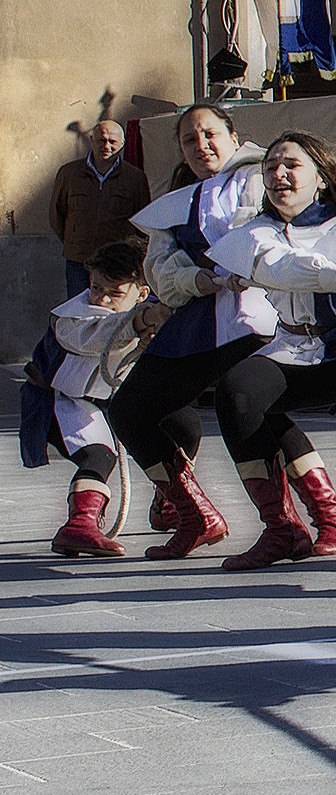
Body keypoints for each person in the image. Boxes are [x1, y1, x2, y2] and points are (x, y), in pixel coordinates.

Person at [206, 133, 336, 572]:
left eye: (291, 165)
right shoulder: (256, 233)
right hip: (296, 345)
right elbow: (280, 265)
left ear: (320, 177)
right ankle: (285, 530)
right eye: (271, 167)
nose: (279, 174)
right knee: (238, 394)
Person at [106, 104, 278, 560]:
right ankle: (195, 514)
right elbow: (159, 271)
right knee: (129, 410)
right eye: (189, 139)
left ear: (233, 137)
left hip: (263, 319)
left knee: (247, 403)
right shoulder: (175, 201)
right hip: (196, 322)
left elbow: (280, 236)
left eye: (209, 134)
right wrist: (196, 279)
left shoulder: (264, 176)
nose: (201, 145)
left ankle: (305, 523)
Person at [23, 242, 170, 558]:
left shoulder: (155, 310)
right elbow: (99, 335)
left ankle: (170, 503)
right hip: (66, 401)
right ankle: (79, 525)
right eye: (96, 288)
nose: (101, 299)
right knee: (98, 455)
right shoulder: (69, 317)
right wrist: (141, 322)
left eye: (114, 293)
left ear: (142, 293)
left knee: (181, 425)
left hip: (115, 401)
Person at [50, 120, 150, 295]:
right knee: (79, 308)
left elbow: (142, 220)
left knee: (111, 308)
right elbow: (56, 214)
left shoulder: (135, 178)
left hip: (116, 263)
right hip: (78, 261)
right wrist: (74, 240)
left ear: (122, 144)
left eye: (112, 142)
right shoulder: (69, 173)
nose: (106, 146)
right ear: (92, 140)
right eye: (101, 140)